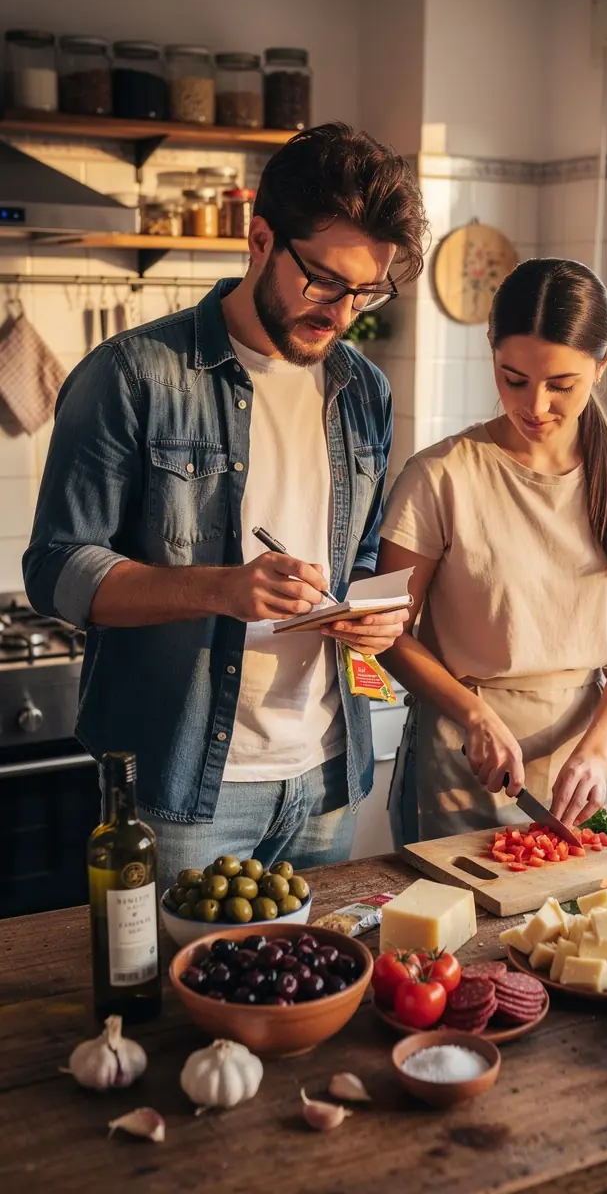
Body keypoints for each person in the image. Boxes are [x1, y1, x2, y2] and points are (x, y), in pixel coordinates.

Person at [23, 122, 428, 883]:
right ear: (261, 238)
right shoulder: (132, 375)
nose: (342, 312)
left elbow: (363, 553)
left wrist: (376, 613)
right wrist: (223, 588)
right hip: (181, 788)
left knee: (304, 995)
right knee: (181, 1002)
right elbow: (56, 569)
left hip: (325, 777)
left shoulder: (363, 390)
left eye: (364, 290)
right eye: (323, 281)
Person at [378, 258, 607, 845]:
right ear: (492, 353)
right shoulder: (441, 476)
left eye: (561, 385)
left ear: (603, 364)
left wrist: (597, 750)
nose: (535, 405)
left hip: (588, 760)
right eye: (513, 378)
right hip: (462, 756)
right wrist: (472, 715)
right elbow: (389, 632)